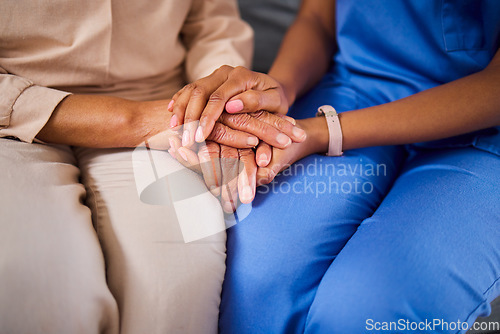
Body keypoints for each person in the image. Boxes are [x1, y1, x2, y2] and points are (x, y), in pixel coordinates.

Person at [169, 0, 500, 332]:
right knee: (257, 267)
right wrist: (278, 91)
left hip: (482, 130)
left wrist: (323, 132)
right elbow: (318, 18)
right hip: (355, 88)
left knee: (368, 307)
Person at [0, 1, 309, 333]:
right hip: (16, 114)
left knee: (178, 277)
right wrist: (136, 122)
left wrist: (219, 101)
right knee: (42, 285)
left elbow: (212, 24)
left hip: (166, 102)